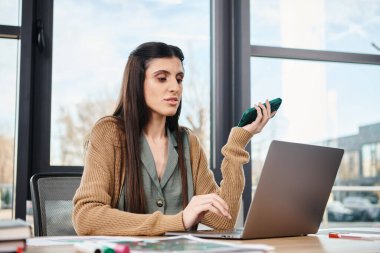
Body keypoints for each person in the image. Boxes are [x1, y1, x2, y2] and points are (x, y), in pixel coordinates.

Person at [72, 41, 275, 236]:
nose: (175, 88)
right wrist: (179, 221)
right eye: (162, 78)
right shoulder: (109, 133)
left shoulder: (189, 142)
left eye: (179, 79)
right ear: (137, 83)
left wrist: (238, 142)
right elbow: (86, 217)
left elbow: (223, 220)